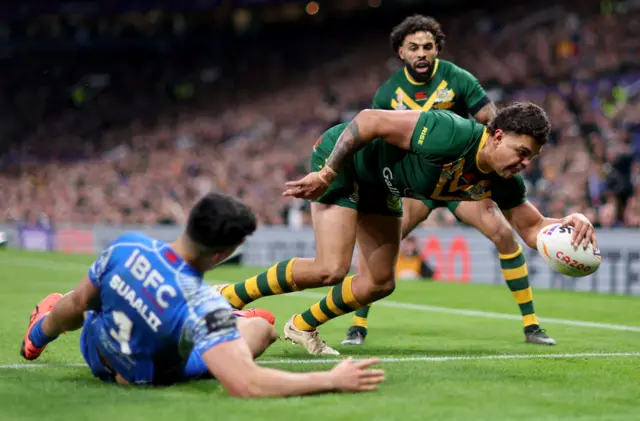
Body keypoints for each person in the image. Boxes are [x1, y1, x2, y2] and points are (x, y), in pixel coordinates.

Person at [215, 103, 598, 355]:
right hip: (347, 166)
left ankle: (301, 325)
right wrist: (328, 171)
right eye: (522, 152)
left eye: (531, 157)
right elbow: (368, 120)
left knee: (380, 282)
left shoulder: (504, 179)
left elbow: (532, 229)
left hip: (383, 187)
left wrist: (571, 221)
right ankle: (229, 296)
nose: (524, 163)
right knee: (330, 268)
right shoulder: (452, 133)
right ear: (498, 136)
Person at [20, 192, 385, 396]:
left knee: (87, 297)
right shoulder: (203, 303)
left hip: (96, 351)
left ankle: (39, 331)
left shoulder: (128, 247)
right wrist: (331, 380)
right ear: (223, 254)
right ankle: (231, 324)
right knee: (263, 326)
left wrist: (40, 335)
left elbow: (80, 304)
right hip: (147, 374)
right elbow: (247, 383)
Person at [341, 14, 555, 347]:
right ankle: (357, 324)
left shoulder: (459, 79)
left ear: (438, 49)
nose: (422, 53)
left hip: (462, 181)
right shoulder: (388, 93)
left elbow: (493, 122)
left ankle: (531, 325)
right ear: (401, 53)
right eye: (413, 47)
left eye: (428, 46)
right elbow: (379, 140)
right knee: (383, 244)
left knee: (503, 234)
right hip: (416, 184)